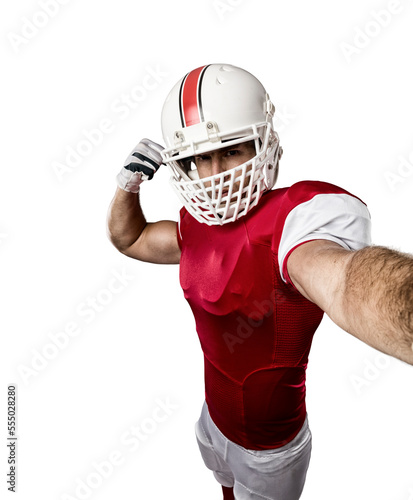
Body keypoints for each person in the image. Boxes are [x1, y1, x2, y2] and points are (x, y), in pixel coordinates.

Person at [107, 64, 413, 500]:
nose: (214, 175)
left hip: (269, 445)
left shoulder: (294, 221)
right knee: (223, 485)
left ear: (264, 142)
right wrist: (127, 185)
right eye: (198, 159)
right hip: (213, 416)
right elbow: (131, 238)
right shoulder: (194, 224)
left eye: (231, 150)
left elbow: (345, 282)